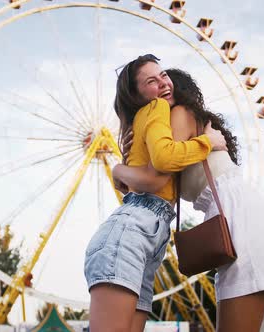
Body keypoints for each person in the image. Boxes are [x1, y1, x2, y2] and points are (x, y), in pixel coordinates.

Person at [113, 68, 264, 332]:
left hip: (240, 218)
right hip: (243, 216)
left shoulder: (179, 114)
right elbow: (149, 184)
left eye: (164, 82)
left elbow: (155, 176)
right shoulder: (190, 131)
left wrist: (119, 168)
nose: (158, 98)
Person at [83, 54, 228, 332]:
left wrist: (119, 170)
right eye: (151, 81)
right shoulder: (158, 107)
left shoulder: (148, 119)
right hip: (131, 232)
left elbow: (141, 177)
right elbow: (161, 164)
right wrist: (207, 142)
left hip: (145, 238)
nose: (163, 83)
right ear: (138, 95)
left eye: (163, 75)